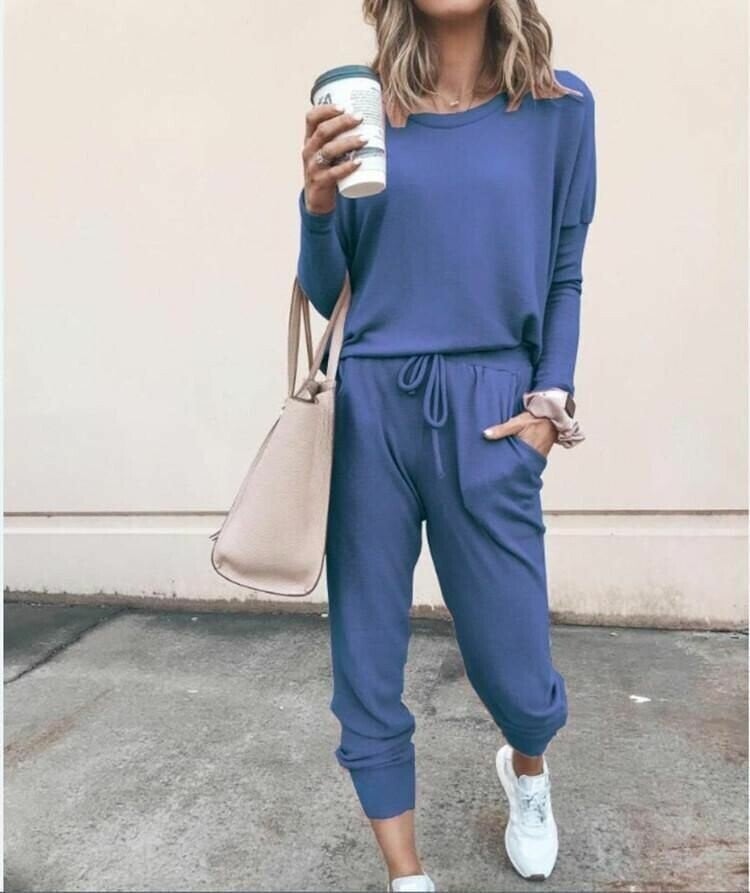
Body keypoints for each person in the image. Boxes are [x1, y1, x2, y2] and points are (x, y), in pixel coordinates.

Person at [296, 1, 597, 890]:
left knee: (518, 671)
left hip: (492, 412)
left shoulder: (560, 109)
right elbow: (325, 290)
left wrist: (547, 407)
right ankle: (407, 876)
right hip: (371, 408)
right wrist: (317, 204)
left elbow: (566, 269)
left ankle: (528, 765)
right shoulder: (355, 100)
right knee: (365, 661)